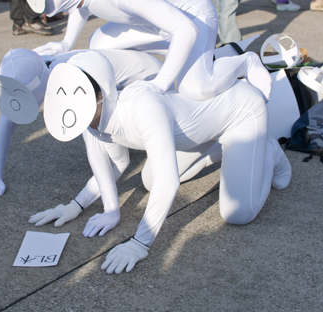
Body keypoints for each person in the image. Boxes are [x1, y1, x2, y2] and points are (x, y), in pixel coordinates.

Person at [34, 51, 291, 274]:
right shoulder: (91, 120)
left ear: (101, 92)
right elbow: (115, 165)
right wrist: (75, 205)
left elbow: (169, 183)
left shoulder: (142, 108)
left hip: (240, 111)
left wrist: (140, 243)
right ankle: (227, 149)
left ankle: (268, 149)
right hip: (196, 134)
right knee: (149, 180)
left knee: (238, 214)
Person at [26, 0, 272, 102]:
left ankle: (244, 63)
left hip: (194, 16)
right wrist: (66, 43)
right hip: (159, 21)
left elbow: (186, 28)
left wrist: (161, 84)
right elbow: (81, 4)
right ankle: (164, 68)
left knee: (196, 89)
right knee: (99, 43)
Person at [0, 47, 164, 201]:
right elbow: (7, 121)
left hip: (149, 80)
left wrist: (100, 208)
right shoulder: (29, 68)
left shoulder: (72, 83)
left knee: (107, 132)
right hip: (130, 73)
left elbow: (102, 154)